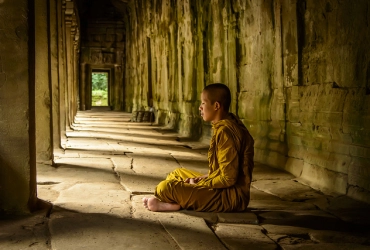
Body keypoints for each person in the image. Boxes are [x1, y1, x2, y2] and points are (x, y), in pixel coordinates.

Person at [143, 83, 254, 212]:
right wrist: (200, 179)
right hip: (224, 189)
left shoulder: (226, 132)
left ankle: (175, 202)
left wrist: (199, 183)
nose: (200, 108)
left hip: (229, 197)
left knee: (164, 188)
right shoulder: (227, 123)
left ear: (216, 106)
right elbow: (221, 172)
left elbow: (228, 179)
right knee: (177, 173)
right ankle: (177, 201)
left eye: (203, 103)